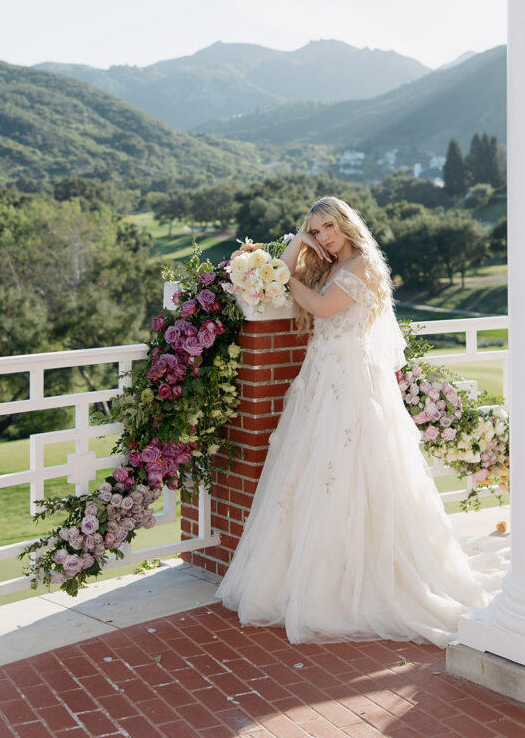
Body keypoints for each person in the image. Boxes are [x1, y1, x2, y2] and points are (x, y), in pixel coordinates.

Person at [216, 196, 509, 646]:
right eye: (317, 232)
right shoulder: (327, 262)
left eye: (329, 227)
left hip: (351, 380)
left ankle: (356, 584)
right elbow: (286, 275)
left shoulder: (366, 264)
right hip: (320, 379)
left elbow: (323, 308)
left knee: (352, 471)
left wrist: (285, 276)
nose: (324, 237)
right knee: (312, 471)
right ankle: (309, 577)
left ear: (346, 223)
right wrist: (296, 244)